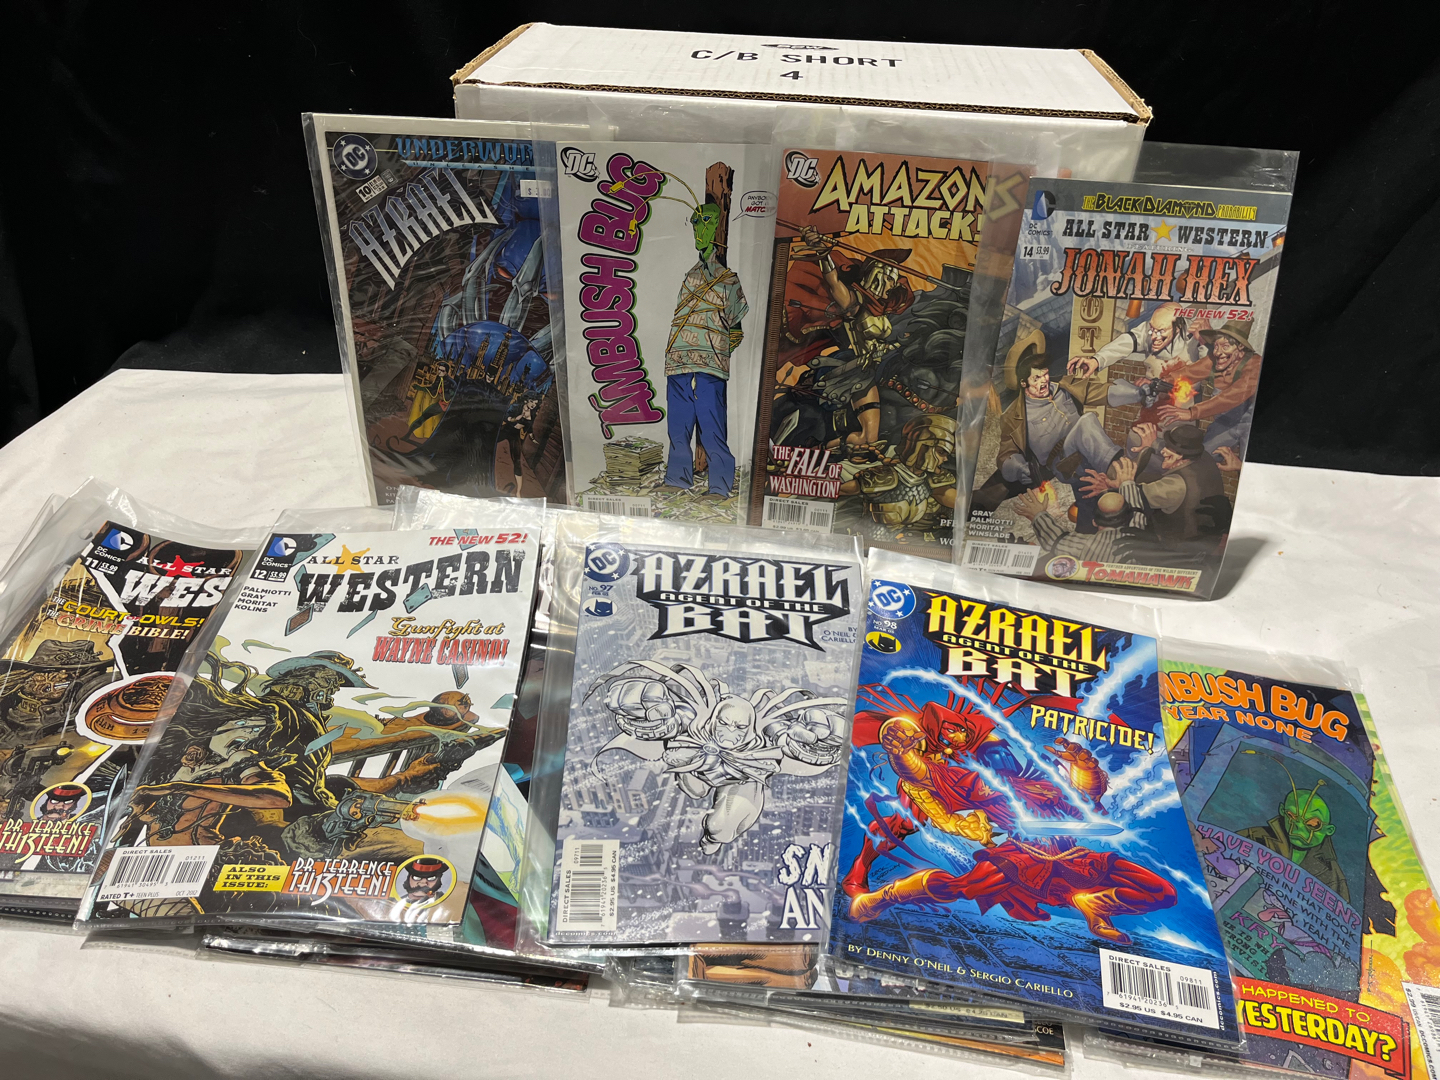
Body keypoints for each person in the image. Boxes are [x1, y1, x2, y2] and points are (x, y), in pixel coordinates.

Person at [661, 197, 746, 499]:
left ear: (718, 227)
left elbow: (736, 329)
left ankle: (720, 487)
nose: (700, 228)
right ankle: (677, 479)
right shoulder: (689, 277)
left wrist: (716, 352)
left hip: (709, 366)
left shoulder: (728, 281)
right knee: (678, 426)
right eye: (696, 222)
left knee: (712, 426)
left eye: (707, 221)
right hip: (677, 362)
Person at [971, 348, 1123, 512]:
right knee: (1087, 421)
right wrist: (1018, 467)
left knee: (1097, 509)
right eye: (1036, 378)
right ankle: (1118, 472)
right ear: (1024, 383)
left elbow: (1097, 391)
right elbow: (1006, 454)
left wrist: (1138, 392)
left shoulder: (1064, 386)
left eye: (1045, 374)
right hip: (1062, 464)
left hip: (1087, 454)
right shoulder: (1013, 416)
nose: (1044, 381)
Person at [1082, 423, 1228, 546]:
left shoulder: (1175, 486)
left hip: (1179, 545)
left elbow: (1135, 497)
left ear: (1182, 456)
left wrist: (1108, 489)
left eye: (1170, 450)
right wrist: (1152, 443)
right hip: (1206, 532)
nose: (1163, 451)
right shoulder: (1203, 457)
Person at [1066, 302, 1201, 410]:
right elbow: (1126, 343)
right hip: (1152, 402)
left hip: (1184, 407)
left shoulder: (1197, 335)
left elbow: (1205, 369)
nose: (1154, 336)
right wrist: (1097, 360)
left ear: (1177, 328)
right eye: (1152, 330)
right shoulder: (1148, 330)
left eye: (1161, 331)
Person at [1159, 320, 1262, 461]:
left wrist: (1192, 412)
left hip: (1252, 427)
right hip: (1225, 423)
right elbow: (1189, 372)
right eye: (1216, 346)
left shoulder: (1255, 364)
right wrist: (1161, 382)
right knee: (1202, 459)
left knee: (1250, 466)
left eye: (1225, 346)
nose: (1218, 352)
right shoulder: (1215, 360)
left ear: (1240, 347)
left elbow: (1233, 396)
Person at [1012, 488, 1134, 565]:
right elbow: (1138, 509)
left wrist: (1038, 514)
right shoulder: (1138, 530)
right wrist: (1128, 483)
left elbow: (1055, 539)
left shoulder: (1084, 546)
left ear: (1094, 522)